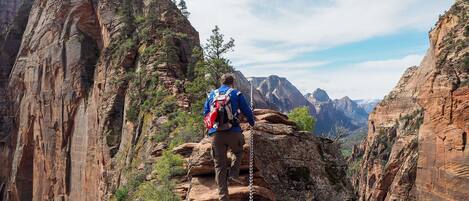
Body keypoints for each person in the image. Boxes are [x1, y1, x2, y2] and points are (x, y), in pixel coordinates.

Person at [203, 73, 255, 201]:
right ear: (233, 82)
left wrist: (211, 128)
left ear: (221, 82)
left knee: (219, 166)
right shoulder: (236, 94)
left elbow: (205, 113)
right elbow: (247, 111)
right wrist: (252, 123)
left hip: (217, 135)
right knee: (238, 151)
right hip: (233, 131)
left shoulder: (211, 95)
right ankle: (233, 173)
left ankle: (223, 197)